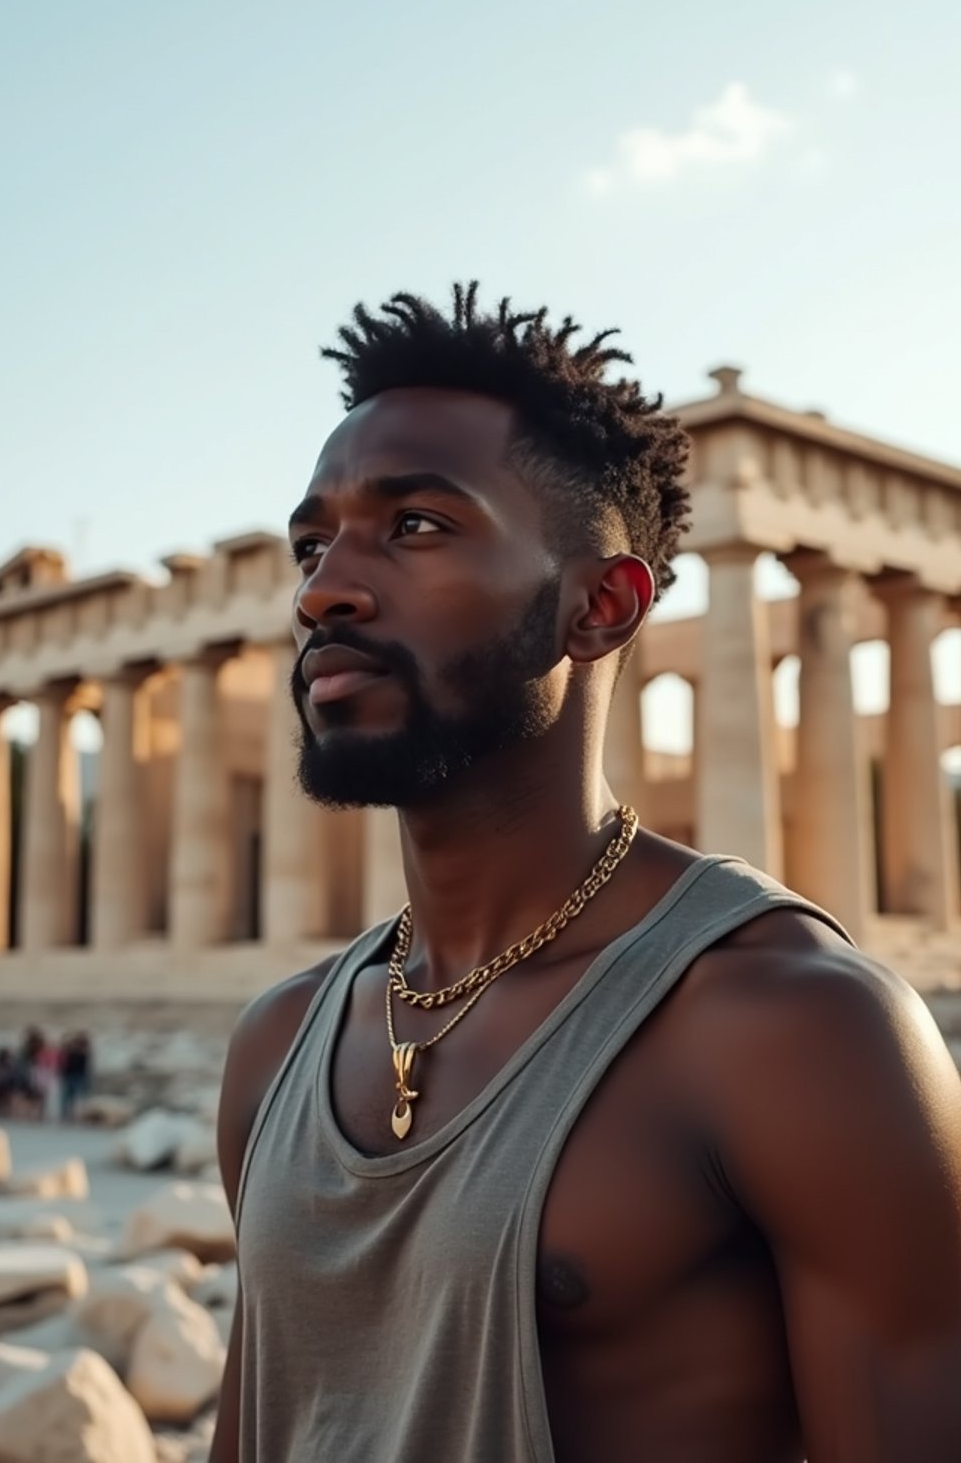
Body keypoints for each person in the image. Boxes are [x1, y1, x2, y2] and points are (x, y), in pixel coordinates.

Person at [211, 286, 961, 1463]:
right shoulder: (280, 1044)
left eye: (415, 526)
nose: (322, 593)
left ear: (600, 607)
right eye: (314, 545)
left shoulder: (795, 1032)